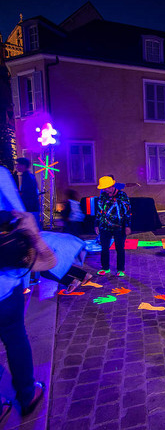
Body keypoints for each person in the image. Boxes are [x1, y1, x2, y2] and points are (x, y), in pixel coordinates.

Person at [0, 166, 56, 418]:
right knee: (14, 337)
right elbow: (48, 260)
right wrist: (33, 235)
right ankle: (26, 393)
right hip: (4, 290)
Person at [95, 176, 132, 277]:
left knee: (120, 248)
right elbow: (99, 211)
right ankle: (105, 268)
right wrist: (97, 224)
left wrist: (127, 226)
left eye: (106, 188)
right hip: (105, 227)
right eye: (104, 188)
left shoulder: (122, 195)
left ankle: (120, 269)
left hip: (119, 227)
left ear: (111, 186)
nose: (105, 190)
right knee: (104, 248)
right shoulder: (103, 196)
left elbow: (127, 212)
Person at [15, 158, 40, 228]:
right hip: (32, 207)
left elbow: (28, 194)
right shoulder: (28, 176)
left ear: (24, 165)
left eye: (18, 164)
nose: (16, 166)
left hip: (30, 208)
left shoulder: (27, 177)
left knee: (33, 230)